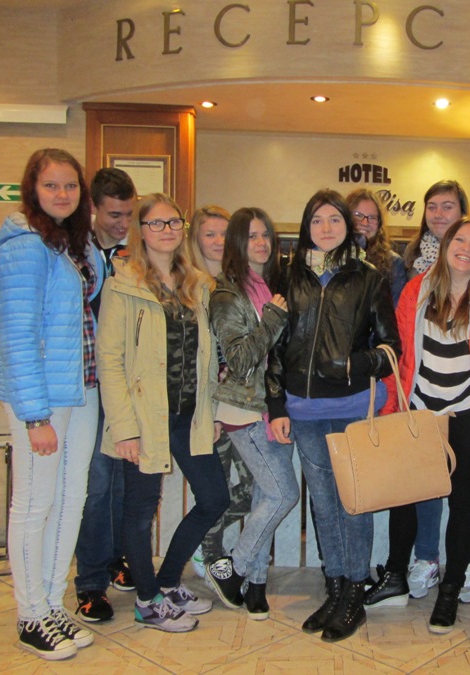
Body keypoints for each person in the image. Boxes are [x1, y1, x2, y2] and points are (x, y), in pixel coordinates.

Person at [363, 217, 470, 635]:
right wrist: (390, 407)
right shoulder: (417, 290)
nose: (466, 249)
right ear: (446, 244)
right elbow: (398, 354)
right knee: (405, 499)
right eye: (459, 240)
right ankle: (396, 577)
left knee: (463, 502)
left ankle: (450, 588)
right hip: (418, 412)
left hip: (468, 416)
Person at [266, 189, 399, 642]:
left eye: (335, 219)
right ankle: (336, 587)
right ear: (307, 226)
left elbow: (391, 348)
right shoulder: (290, 275)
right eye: (317, 220)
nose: (326, 228)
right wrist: (276, 405)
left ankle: (355, 592)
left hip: (352, 408)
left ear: (348, 225)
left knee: (353, 502)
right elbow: (276, 346)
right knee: (323, 503)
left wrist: (352, 365)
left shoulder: (368, 277)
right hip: (304, 410)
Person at [97, 193, 229, 633]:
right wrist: (124, 428)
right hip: (144, 416)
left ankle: (168, 581)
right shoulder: (123, 284)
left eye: (174, 222)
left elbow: (206, 355)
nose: (167, 230)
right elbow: (109, 361)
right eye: (156, 223)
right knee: (140, 511)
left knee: (214, 498)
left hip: (190, 413)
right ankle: (148, 601)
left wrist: (211, 410)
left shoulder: (197, 284)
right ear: (141, 230)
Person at [0, 148, 104, 660]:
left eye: (70, 185)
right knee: (34, 504)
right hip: (42, 399)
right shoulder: (24, 244)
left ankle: (52, 603)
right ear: (32, 190)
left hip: (82, 390)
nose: (62, 194)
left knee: (70, 499)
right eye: (51, 185)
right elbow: (17, 337)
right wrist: (35, 416)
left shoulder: (72, 244)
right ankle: (29, 612)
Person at [205, 207, 298, 620]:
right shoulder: (228, 294)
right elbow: (241, 360)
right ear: (237, 243)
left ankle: (255, 583)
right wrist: (273, 318)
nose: (261, 243)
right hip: (243, 409)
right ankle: (234, 568)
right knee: (284, 493)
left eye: (266, 235)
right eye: (252, 236)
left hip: (272, 406)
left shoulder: (270, 286)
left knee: (265, 493)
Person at [400, 179, 470, 600]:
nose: (440, 214)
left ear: (463, 212)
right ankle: (426, 558)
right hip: (423, 394)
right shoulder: (411, 267)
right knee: (425, 482)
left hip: (468, 399)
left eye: (448, 206)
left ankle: (468, 565)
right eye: (432, 206)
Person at [74, 167, 137, 624]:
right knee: (97, 485)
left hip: (126, 385)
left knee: (120, 480)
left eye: (129, 214)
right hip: (87, 385)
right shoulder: (74, 253)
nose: (123, 223)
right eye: (115, 215)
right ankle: (90, 583)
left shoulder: (135, 253)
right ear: (94, 208)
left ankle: (116, 559)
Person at [185, 205, 255, 580]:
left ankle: (200, 538)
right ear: (195, 239)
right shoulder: (188, 285)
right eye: (209, 234)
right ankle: (210, 554)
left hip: (238, 403)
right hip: (205, 404)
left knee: (255, 486)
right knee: (217, 489)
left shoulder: (238, 283)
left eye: (225, 234)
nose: (218, 241)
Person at [346, 188, 408, 306]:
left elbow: (396, 310)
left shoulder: (394, 263)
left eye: (372, 217)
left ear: (379, 223)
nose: (365, 223)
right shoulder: (332, 258)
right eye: (358, 215)